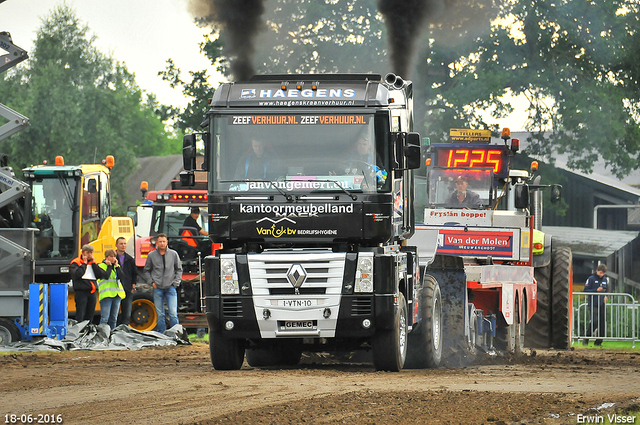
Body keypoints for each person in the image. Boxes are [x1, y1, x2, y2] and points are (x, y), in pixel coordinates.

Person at [143, 233, 183, 333]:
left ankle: (175, 333)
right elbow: (146, 270)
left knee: (173, 313)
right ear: (157, 243)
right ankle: (161, 333)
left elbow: (179, 269)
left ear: (167, 242)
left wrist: (175, 283)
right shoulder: (151, 255)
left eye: (163, 241)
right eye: (160, 241)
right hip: (157, 288)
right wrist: (151, 282)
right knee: (160, 313)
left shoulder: (173, 254)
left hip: (170, 287)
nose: (162, 243)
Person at [70, 244, 109, 323]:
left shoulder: (93, 263)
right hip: (81, 292)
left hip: (92, 292)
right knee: (80, 314)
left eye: (91, 253)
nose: (90, 255)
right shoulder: (76, 262)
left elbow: (100, 275)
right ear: (83, 253)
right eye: (88, 253)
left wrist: (94, 264)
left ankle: (88, 332)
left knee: (90, 315)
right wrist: (84, 264)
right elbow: (77, 274)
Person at [97, 249, 125, 331]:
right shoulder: (101, 266)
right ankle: (102, 334)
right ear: (106, 257)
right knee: (105, 318)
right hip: (106, 295)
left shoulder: (116, 267)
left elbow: (122, 277)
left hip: (117, 294)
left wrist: (116, 266)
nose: (113, 258)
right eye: (111, 256)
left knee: (114, 318)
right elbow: (106, 276)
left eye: (114, 256)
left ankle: (112, 335)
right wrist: (109, 266)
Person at [583, 264, 609, 346]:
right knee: (595, 321)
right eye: (600, 272)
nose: (601, 275)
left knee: (602, 323)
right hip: (593, 303)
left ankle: (598, 342)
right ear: (597, 271)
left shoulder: (605, 279)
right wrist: (596, 290)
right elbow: (586, 290)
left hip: (602, 303)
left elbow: (607, 290)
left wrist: (607, 296)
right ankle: (587, 337)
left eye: (603, 273)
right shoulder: (591, 279)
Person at [115, 236, 137, 326]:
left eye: (124, 244)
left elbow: (134, 273)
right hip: (115, 289)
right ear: (116, 245)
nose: (123, 246)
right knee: (114, 314)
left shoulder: (130, 259)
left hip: (127, 289)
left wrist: (133, 285)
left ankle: (124, 332)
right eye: (121, 244)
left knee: (126, 314)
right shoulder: (112, 258)